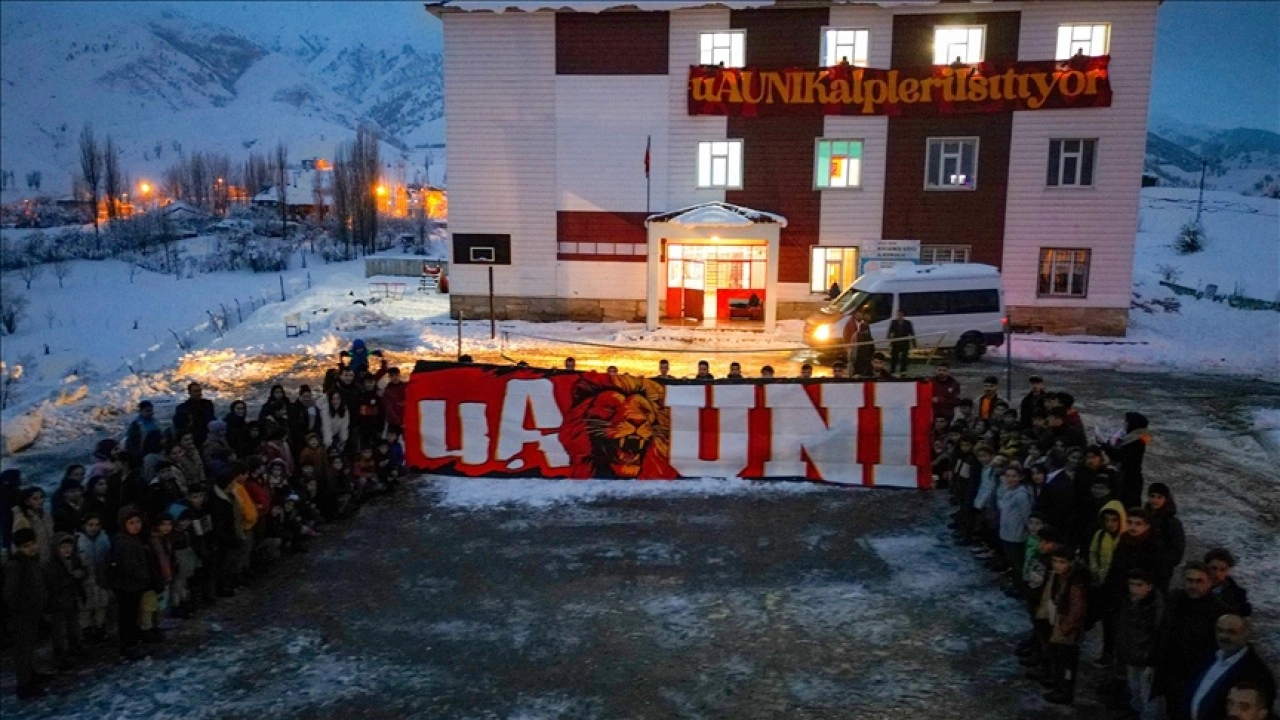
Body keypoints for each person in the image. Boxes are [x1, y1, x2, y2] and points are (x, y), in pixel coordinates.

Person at [1155, 562, 1231, 720]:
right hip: (1171, 674)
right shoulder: (1174, 600)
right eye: (1190, 580)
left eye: (1199, 581)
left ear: (1209, 583)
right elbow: (1162, 632)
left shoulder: (1220, 612)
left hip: (1199, 676)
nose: (1193, 585)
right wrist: (1152, 663)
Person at [1185, 615, 1276, 720]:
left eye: (1231, 632)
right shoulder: (1209, 658)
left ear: (1246, 634)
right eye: (1220, 631)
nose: (1223, 636)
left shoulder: (1257, 673)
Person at [1040, 546, 1090, 705]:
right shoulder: (1058, 577)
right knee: (1058, 657)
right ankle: (1059, 683)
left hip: (1067, 628)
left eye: (1062, 562)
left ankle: (1066, 690)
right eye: (1055, 561)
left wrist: (1066, 628)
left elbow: (1077, 609)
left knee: (1067, 661)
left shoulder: (1074, 583)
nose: (1057, 565)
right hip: (1059, 621)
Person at [4, 528, 49, 699]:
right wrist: (22, 608)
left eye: (32, 544)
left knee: (29, 646)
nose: (31, 548)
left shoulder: (31, 561)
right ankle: (24, 684)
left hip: (32, 612)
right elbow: (10, 594)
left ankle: (31, 674)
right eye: (26, 546)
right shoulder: (16, 565)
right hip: (22, 615)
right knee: (22, 650)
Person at [1116, 567, 1165, 720]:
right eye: (1132, 584)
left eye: (1139, 585)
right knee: (1134, 688)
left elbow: (1158, 636)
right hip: (1132, 654)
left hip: (1146, 659)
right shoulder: (1129, 602)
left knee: (1148, 695)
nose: (1134, 589)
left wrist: (1151, 658)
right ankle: (1136, 712)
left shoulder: (1156, 608)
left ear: (1149, 587)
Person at [1088, 499, 1128, 666]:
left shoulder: (1125, 539)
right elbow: (1093, 552)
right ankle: (1108, 651)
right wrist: (1095, 570)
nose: (1110, 524)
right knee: (1107, 622)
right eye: (1107, 520)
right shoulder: (1100, 535)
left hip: (1120, 587)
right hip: (1104, 585)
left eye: (1114, 520)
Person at [109, 506, 151, 658]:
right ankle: (129, 644)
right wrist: (144, 578)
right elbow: (129, 566)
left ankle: (131, 641)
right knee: (128, 616)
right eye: (131, 522)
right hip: (127, 586)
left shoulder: (132, 539)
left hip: (133, 585)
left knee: (132, 614)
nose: (136, 525)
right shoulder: (123, 542)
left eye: (137, 522)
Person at [45, 532, 87, 668]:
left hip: (72, 599)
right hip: (59, 603)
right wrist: (72, 577)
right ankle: (61, 655)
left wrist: (81, 574)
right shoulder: (52, 565)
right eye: (63, 547)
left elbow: (82, 572)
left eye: (69, 546)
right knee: (60, 630)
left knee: (73, 626)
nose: (67, 550)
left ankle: (75, 647)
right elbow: (55, 584)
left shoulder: (74, 560)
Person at [75, 512, 112, 642]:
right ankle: (87, 629)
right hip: (86, 579)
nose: (94, 528)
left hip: (101, 578)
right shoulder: (78, 541)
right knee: (86, 606)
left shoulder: (104, 538)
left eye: (97, 525)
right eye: (90, 525)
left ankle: (100, 627)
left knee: (101, 604)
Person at [1146, 483, 1186, 590]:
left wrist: (1164, 564)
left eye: (1159, 497)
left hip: (1160, 572)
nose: (1155, 500)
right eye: (1152, 496)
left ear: (1166, 499)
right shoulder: (1144, 517)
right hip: (1141, 568)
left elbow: (1177, 550)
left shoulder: (1172, 523)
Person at [1110, 411, 1151, 509]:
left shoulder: (1136, 442)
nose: (1124, 424)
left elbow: (1121, 457)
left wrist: (1105, 446)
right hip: (1129, 478)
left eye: (1126, 422)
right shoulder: (1130, 438)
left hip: (1130, 481)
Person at [1205, 549, 1252, 617]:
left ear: (1228, 571)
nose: (1217, 574)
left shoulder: (1236, 596)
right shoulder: (1193, 584)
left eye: (1222, 570)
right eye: (1213, 568)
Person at [11, 486, 54, 562]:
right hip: (34, 560)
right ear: (27, 502)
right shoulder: (22, 520)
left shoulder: (46, 516)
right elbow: (18, 545)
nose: (40, 501)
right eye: (35, 499)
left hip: (49, 557)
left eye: (41, 497)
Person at [173, 382, 216, 448]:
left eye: (200, 391)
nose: (199, 393)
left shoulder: (208, 404)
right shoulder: (183, 408)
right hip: (194, 438)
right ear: (189, 393)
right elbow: (180, 427)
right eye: (196, 391)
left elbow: (212, 418)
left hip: (209, 436)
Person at [886, 310, 915, 375]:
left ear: (903, 315)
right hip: (896, 343)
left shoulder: (908, 323)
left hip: (904, 343)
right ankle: (892, 372)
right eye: (898, 315)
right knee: (894, 358)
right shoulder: (893, 322)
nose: (899, 316)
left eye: (900, 315)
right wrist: (889, 339)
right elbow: (890, 331)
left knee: (904, 359)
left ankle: (903, 372)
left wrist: (914, 343)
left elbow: (912, 333)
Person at [850, 308, 875, 377]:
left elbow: (872, 348)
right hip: (860, 360)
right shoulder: (857, 335)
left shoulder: (866, 335)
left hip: (864, 360)